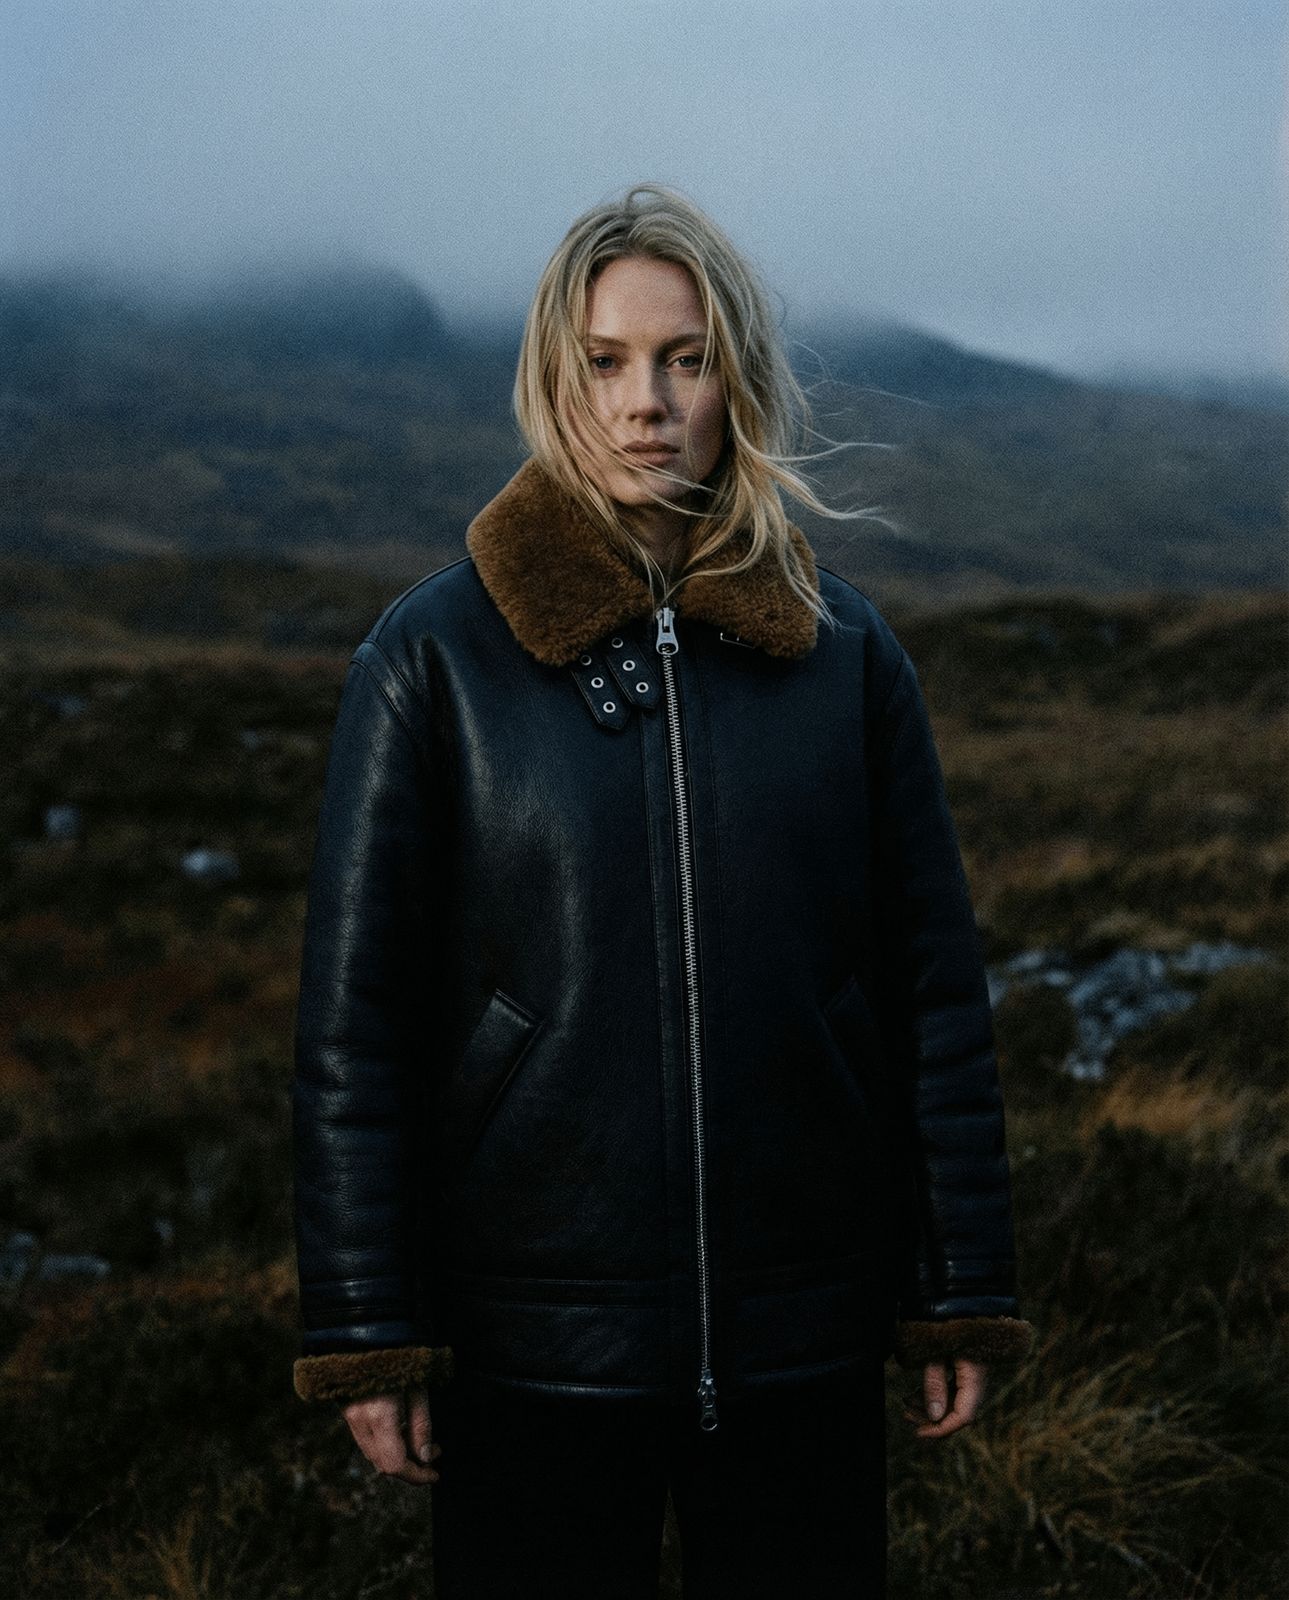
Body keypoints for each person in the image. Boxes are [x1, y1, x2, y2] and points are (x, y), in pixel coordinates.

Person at [289, 184, 1033, 1597]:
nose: (645, 401)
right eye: (606, 362)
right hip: (536, 1345)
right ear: (553, 381)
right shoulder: (433, 659)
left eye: (683, 359)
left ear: (732, 377)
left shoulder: (843, 655)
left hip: (801, 1337)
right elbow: (355, 1029)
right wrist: (370, 1325)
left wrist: (957, 1289)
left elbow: (931, 990)